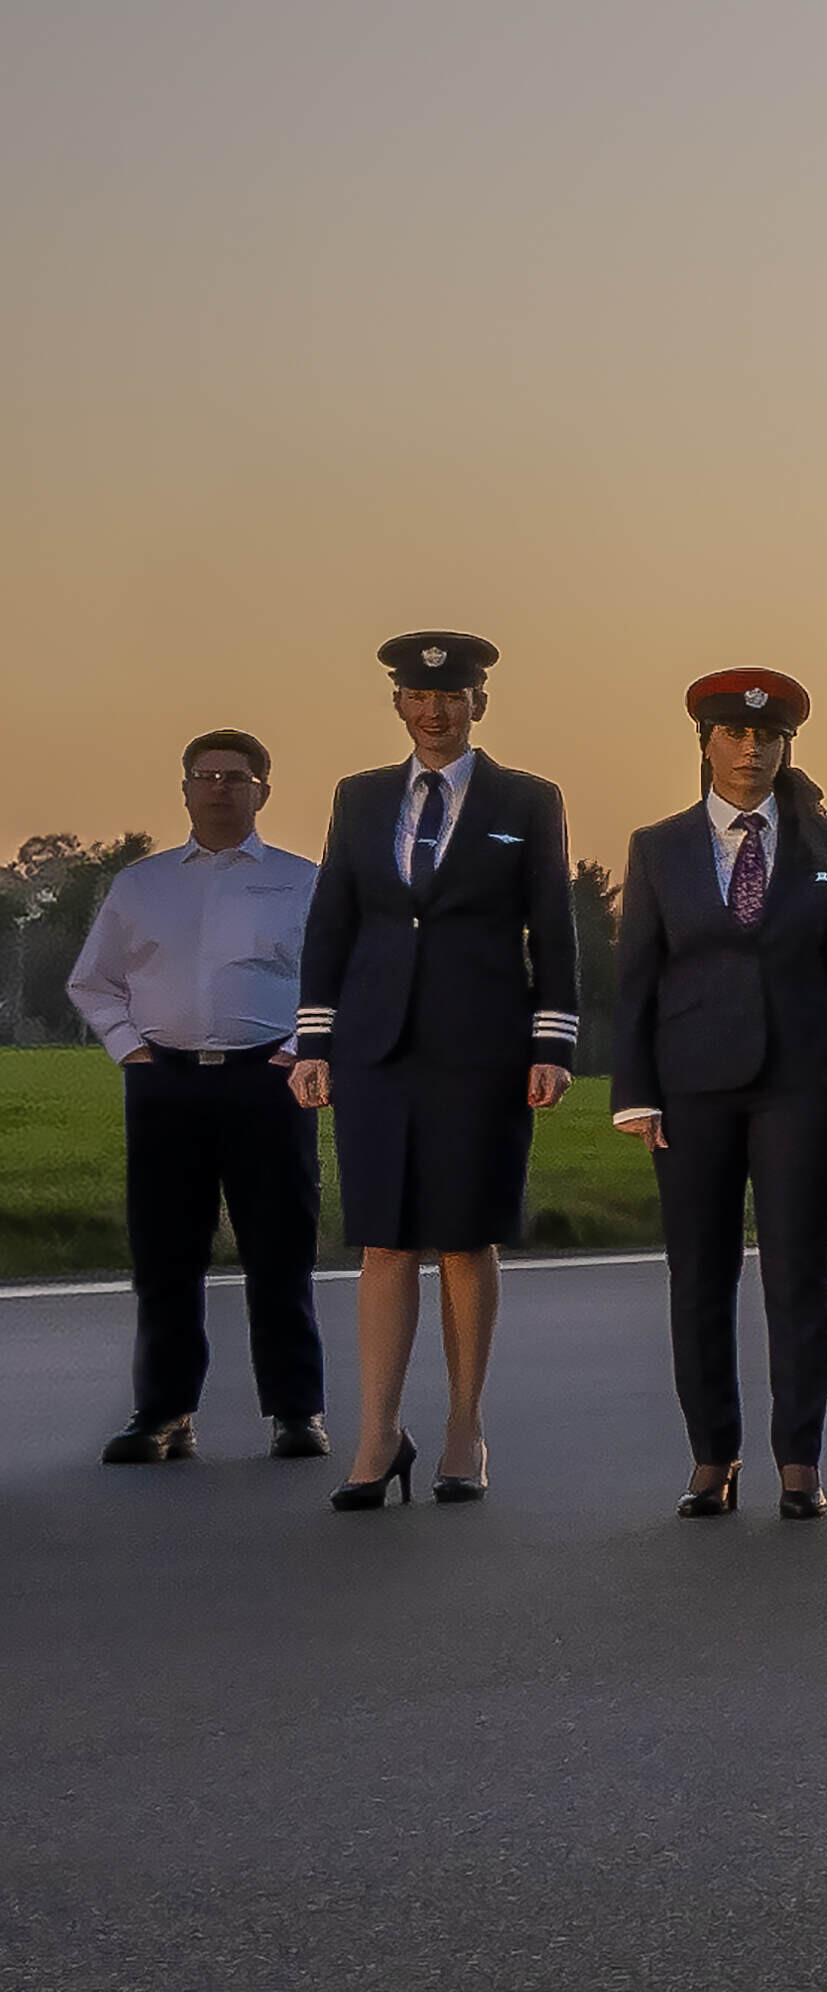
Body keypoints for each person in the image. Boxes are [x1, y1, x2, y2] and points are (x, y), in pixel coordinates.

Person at [281, 628, 573, 1510]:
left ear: (477, 703)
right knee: (383, 1239)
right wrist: (315, 1040)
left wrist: (551, 1043)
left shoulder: (527, 797)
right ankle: (377, 1432)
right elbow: (333, 916)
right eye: (418, 696)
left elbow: (551, 923)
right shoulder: (360, 797)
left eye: (451, 697)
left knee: (462, 1237)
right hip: (377, 1044)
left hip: (481, 1045)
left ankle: (462, 1429)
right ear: (399, 704)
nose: (434, 711)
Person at [605, 667, 827, 1520]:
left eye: (765, 736)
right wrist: (636, 1092)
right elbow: (637, 979)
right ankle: (712, 1456)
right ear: (704, 744)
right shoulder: (660, 845)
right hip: (690, 1087)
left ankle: (799, 1459)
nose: (749, 748)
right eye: (732, 734)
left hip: (800, 1084)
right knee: (698, 1273)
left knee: (799, 1274)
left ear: (784, 747)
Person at [81, 730, 325, 1464]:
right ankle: (164, 1413)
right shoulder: (142, 884)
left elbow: (334, 980)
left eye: (236, 777)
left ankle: (295, 1411)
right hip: (167, 1083)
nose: (220, 787)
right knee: (164, 1254)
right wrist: (133, 1050)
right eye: (205, 775)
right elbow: (93, 980)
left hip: (269, 1078)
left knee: (280, 1250)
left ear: (263, 791)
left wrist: (299, 1051)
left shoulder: (301, 881)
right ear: (184, 788)